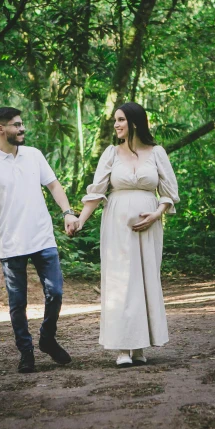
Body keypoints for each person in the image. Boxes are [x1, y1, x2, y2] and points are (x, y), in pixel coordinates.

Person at [0, 107, 80, 373]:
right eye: (16, 125)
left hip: (43, 238)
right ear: (1, 130)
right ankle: (26, 352)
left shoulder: (34, 155)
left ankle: (47, 338)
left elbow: (54, 185)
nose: (22, 129)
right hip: (11, 245)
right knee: (17, 304)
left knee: (55, 292)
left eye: (22, 124)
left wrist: (68, 212)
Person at [75, 102, 180, 367]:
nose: (116, 125)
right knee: (122, 282)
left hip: (149, 225)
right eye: (115, 121)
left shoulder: (157, 153)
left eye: (120, 120)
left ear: (134, 123)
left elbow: (169, 192)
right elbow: (97, 192)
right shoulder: (111, 153)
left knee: (144, 280)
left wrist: (157, 214)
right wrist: (79, 221)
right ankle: (123, 347)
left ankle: (140, 346)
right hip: (117, 226)